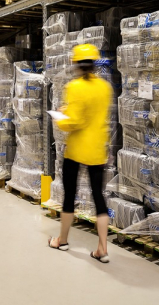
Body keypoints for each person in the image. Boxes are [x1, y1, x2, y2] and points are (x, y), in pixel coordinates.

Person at [48, 43, 113, 262]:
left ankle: (62, 240)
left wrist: (61, 116)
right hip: (97, 149)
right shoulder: (105, 87)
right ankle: (102, 249)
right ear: (94, 64)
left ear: (76, 64)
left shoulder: (75, 87)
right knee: (98, 197)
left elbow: (74, 122)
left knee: (69, 195)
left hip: (76, 150)